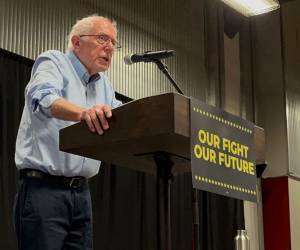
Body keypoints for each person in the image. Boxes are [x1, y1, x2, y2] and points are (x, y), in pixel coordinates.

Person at [14, 15, 122, 250]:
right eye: (103, 39)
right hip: (44, 191)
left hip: (82, 194)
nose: (110, 48)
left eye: (114, 42)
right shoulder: (53, 62)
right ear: (76, 42)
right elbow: (42, 98)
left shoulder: (103, 84)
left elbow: (122, 118)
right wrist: (83, 114)